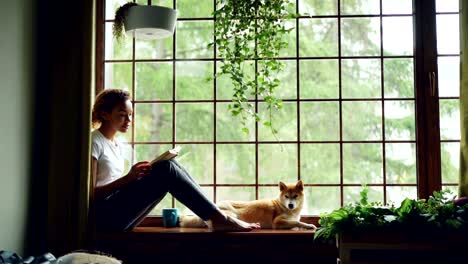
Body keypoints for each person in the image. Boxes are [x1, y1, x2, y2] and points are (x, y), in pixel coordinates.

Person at [91, 88, 260, 232]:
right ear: (105, 114)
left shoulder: (120, 144)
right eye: (122, 115)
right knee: (166, 169)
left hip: (118, 210)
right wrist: (129, 178)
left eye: (130, 115)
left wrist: (139, 176)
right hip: (104, 217)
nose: (129, 120)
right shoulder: (93, 142)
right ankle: (218, 218)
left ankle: (216, 216)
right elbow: (89, 194)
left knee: (169, 164)